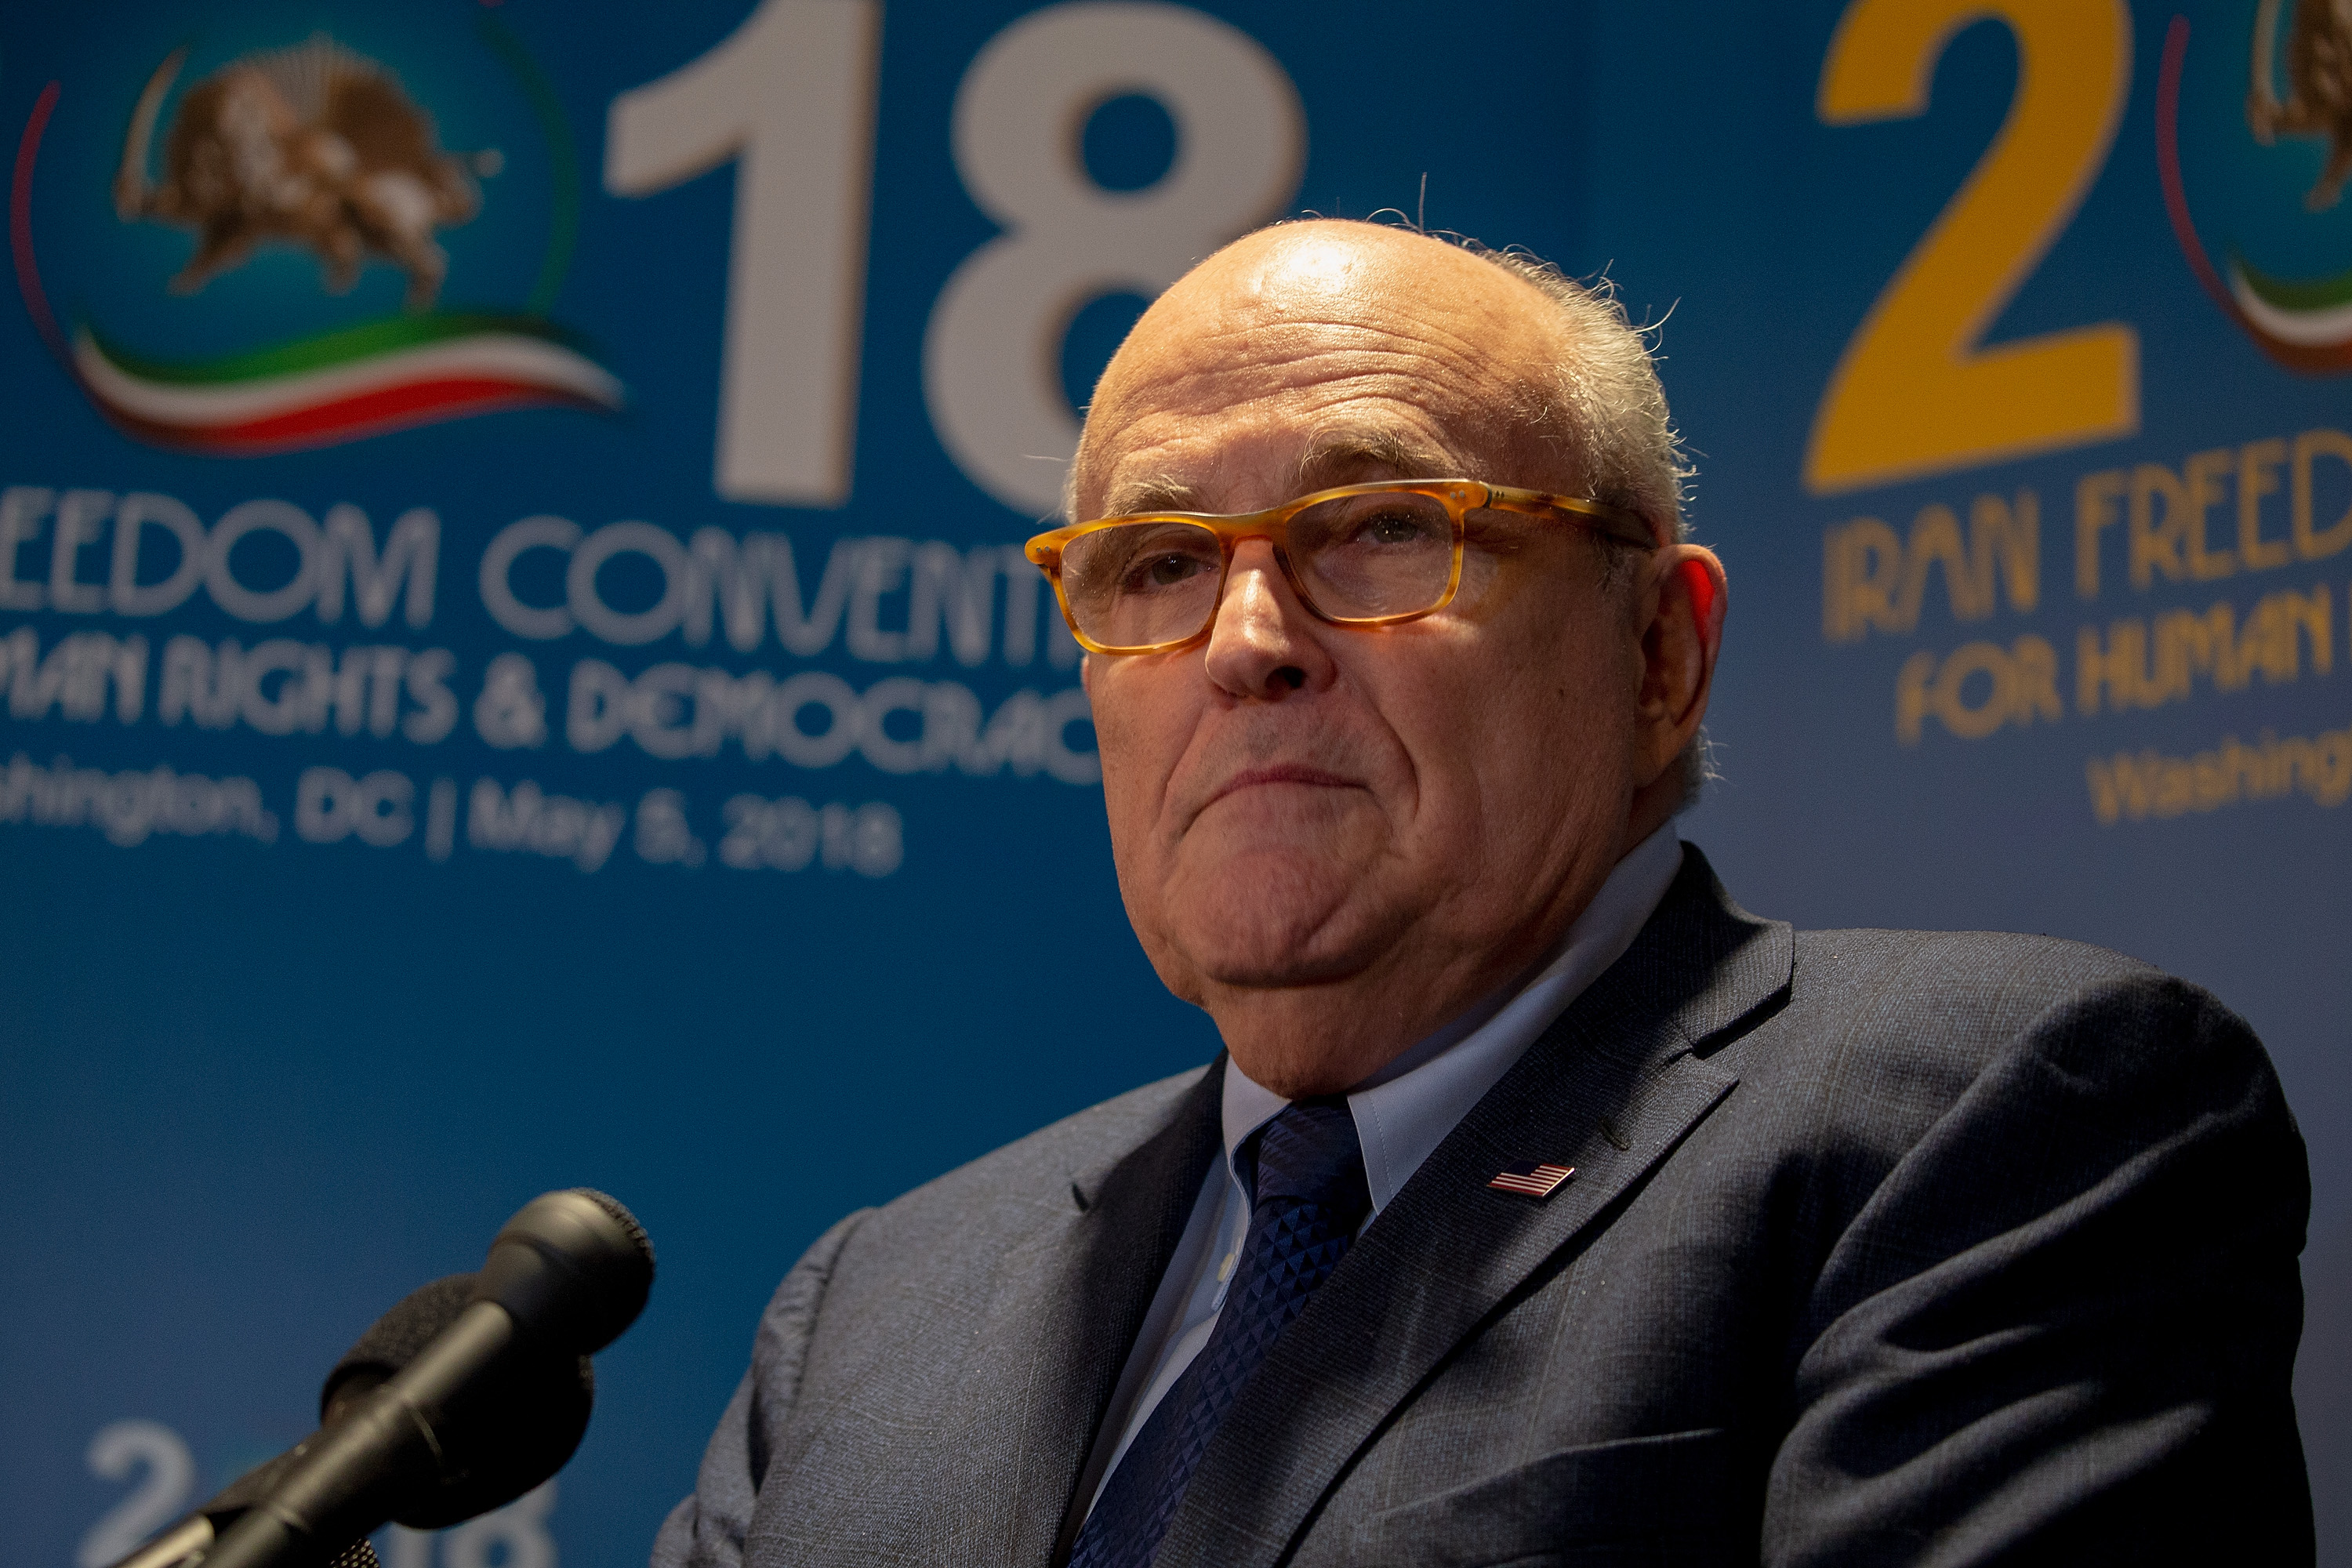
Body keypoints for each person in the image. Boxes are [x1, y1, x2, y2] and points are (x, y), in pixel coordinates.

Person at [651, 221, 2311, 1566]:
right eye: (1157, 564)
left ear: (1661, 651)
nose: (1247, 646)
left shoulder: (1994, 1126)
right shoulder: (880, 1298)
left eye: (1379, 526)